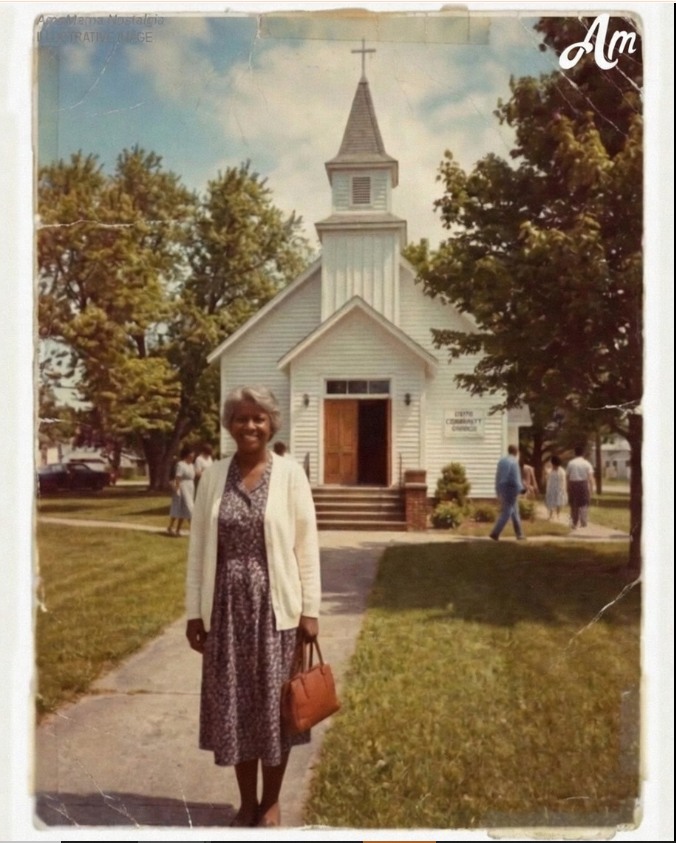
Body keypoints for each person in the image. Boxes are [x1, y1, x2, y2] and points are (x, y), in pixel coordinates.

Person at [185, 386, 321, 828]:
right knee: (237, 709)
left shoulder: (290, 475)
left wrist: (310, 610)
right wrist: (194, 611)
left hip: (276, 610)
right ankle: (247, 802)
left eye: (258, 418)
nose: (250, 426)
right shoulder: (213, 476)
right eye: (241, 418)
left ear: (271, 424)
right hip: (226, 610)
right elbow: (199, 547)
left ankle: (272, 802)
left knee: (276, 708)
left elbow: (306, 545)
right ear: (230, 425)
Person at [489, 444, 526, 541]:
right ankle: (495, 532)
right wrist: (521, 489)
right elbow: (515, 478)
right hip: (510, 488)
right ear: (516, 452)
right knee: (508, 511)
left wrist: (497, 489)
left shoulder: (501, 461)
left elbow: (498, 476)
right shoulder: (514, 462)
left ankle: (519, 534)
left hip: (502, 487)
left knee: (515, 511)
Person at [167, 445, 195, 537]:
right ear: (187, 455)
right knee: (187, 508)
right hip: (183, 487)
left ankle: (178, 529)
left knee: (184, 510)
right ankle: (171, 526)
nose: (192, 457)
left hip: (190, 487)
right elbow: (178, 477)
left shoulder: (191, 465)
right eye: (191, 455)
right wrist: (177, 488)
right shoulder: (181, 464)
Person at [566, 445, 595, 529]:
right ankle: (583, 520)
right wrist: (592, 488)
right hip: (583, 484)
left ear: (575, 453)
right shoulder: (587, 463)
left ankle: (574, 522)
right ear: (583, 453)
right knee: (584, 502)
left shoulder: (571, 463)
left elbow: (567, 476)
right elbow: (590, 477)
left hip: (573, 483)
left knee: (574, 503)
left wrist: (567, 487)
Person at [545, 455, 567, 520]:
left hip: (559, 488)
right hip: (551, 488)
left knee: (559, 502)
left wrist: (564, 489)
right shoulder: (550, 470)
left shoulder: (562, 471)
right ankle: (551, 514)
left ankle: (558, 514)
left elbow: (564, 481)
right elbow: (547, 476)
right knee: (550, 501)